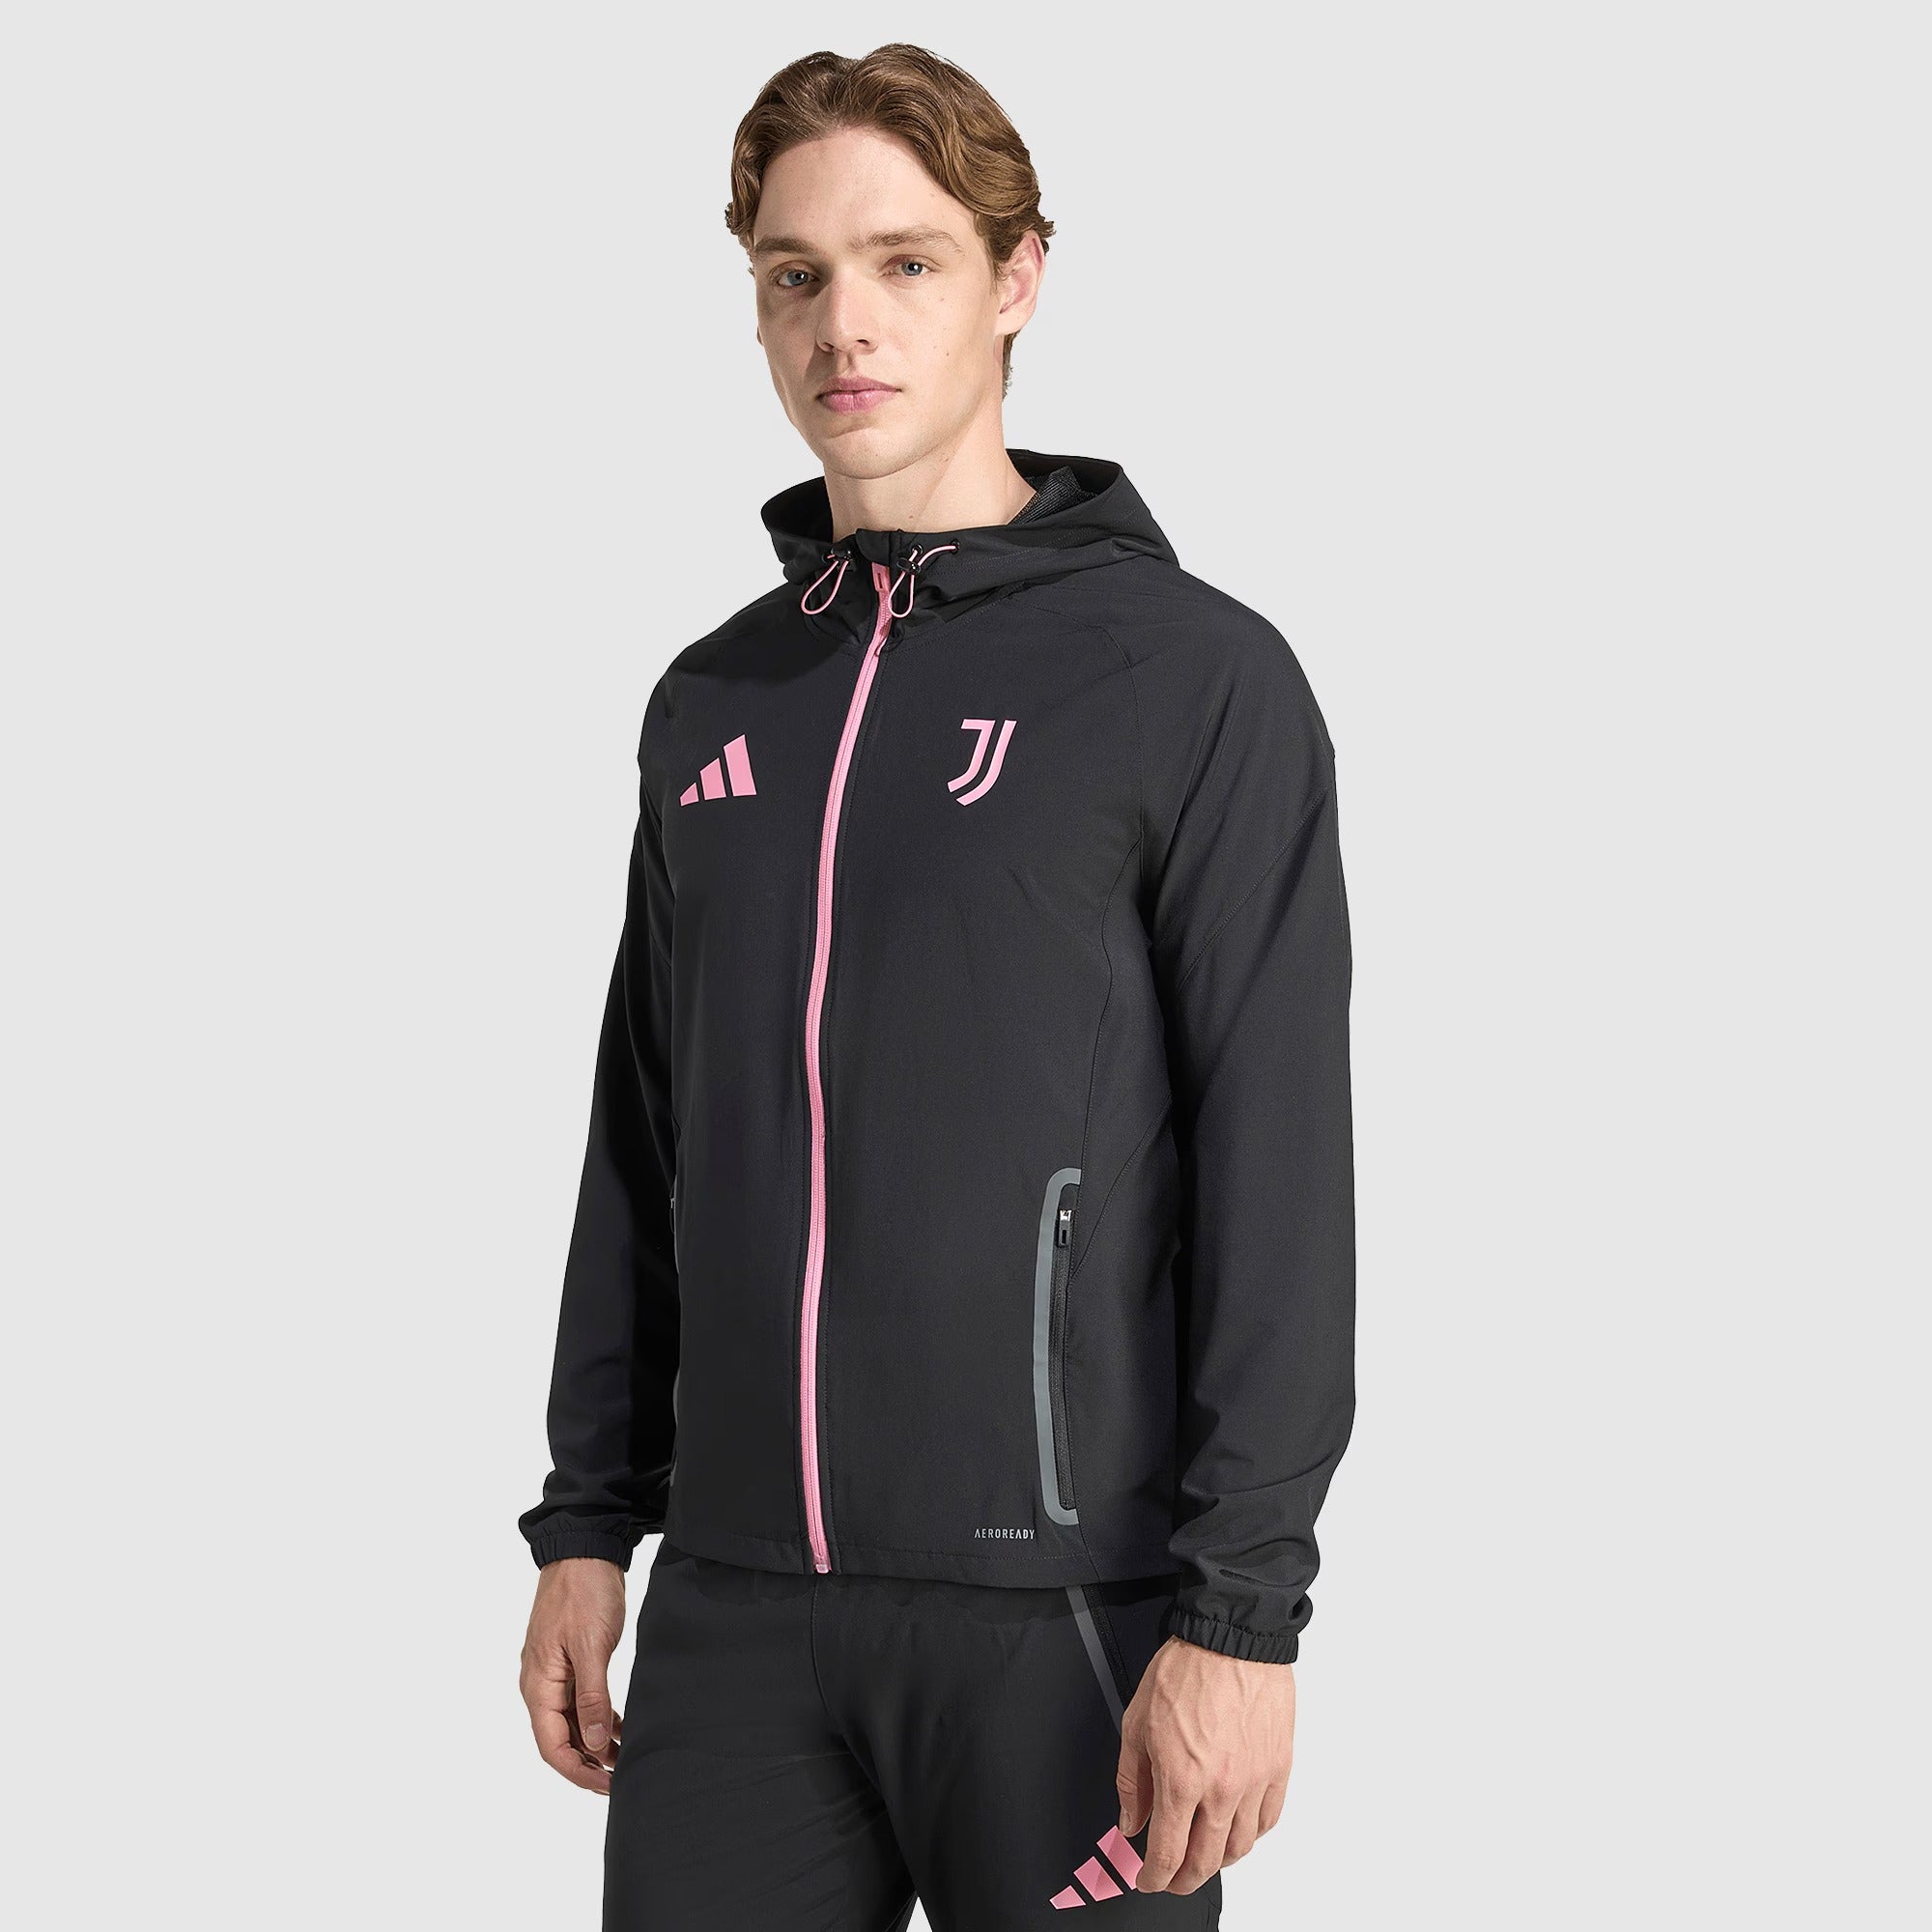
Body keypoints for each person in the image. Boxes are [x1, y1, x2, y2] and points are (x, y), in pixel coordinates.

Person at [518, 42, 1355, 1929]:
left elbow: (1280, 1171)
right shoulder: (715, 700)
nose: (847, 323)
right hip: (734, 1615)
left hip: (1067, 1623)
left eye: (906, 261)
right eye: (795, 273)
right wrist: (587, 1519)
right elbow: (643, 1137)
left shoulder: (1189, 678)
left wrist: (1242, 1615)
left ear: (1017, 277)